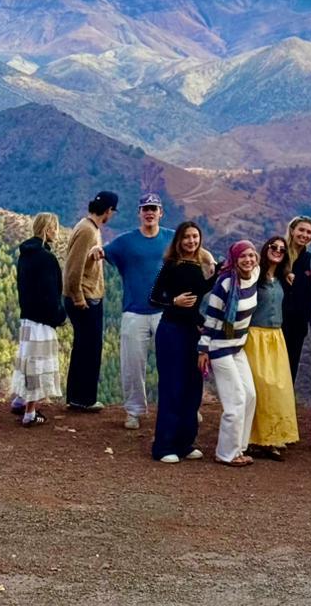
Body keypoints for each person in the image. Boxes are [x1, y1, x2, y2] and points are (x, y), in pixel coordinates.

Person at [149, 221, 217, 464]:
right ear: (179, 240)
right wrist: (173, 301)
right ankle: (163, 446)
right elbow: (154, 297)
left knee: (192, 386)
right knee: (172, 387)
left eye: (195, 237)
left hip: (192, 332)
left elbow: (201, 291)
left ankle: (185, 442)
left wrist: (220, 271)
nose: (191, 241)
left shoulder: (196, 265)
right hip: (172, 331)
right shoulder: (170, 265)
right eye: (187, 237)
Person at [104, 192, 173, 429]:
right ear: (139, 213)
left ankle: (179, 408)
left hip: (166, 312)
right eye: (146, 208)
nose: (150, 212)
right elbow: (105, 251)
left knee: (173, 362)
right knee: (132, 364)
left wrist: (212, 264)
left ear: (161, 212)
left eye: (154, 208)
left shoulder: (172, 238)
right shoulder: (125, 241)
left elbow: (196, 252)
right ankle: (134, 411)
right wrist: (95, 252)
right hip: (134, 311)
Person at [198, 240, 260, 467]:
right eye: (243, 256)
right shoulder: (224, 284)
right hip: (220, 347)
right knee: (236, 400)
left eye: (252, 255)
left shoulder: (254, 275)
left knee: (250, 396)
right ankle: (226, 453)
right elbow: (212, 317)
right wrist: (203, 349)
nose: (248, 260)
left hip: (237, 346)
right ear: (234, 260)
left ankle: (240, 446)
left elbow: (277, 264)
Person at [62, 190, 118, 412]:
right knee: (89, 350)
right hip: (85, 298)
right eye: (111, 212)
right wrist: (78, 298)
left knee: (84, 348)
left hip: (87, 296)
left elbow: (80, 260)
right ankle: (83, 399)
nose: (111, 216)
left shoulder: (88, 227)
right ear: (108, 210)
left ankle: (77, 398)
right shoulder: (87, 230)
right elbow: (72, 267)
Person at [11, 212, 67, 427]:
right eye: (55, 228)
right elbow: (51, 293)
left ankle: (19, 398)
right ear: (47, 229)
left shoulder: (25, 255)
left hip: (27, 317)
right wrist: (59, 315)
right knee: (38, 364)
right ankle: (30, 412)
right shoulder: (46, 258)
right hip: (43, 321)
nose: (57, 232)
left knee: (26, 360)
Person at [247, 237, 300, 461]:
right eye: (273, 247)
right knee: (259, 388)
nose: (277, 251)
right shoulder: (254, 276)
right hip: (255, 336)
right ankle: (252, 439)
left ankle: (273, 437)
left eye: (281, 249)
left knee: (278, 390)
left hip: (275, 337)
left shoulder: (282, 279)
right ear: (265, 248)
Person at [282, 215, 311, 383]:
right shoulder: (278, 252)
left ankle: (285, 408)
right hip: (274, 323)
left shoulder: (310, 260)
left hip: (297, 325)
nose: (305, 235)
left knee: (290, 369)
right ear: (292, 230)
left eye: (309, 232)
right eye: (301, 230)